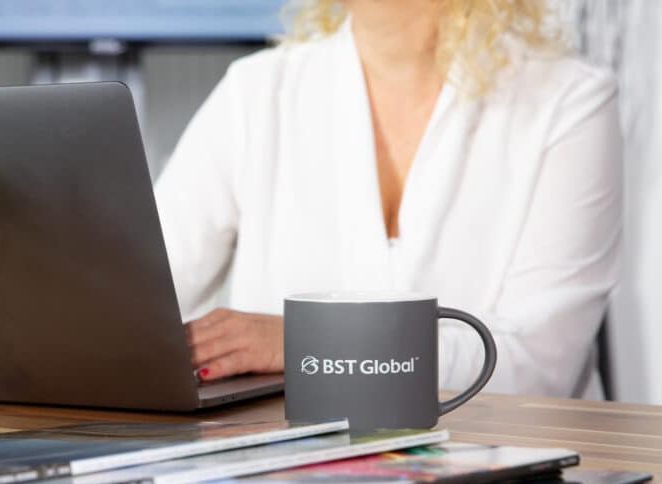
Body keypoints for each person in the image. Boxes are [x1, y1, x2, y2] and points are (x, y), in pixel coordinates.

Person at [154, 0, 622, 397]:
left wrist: (312, 344)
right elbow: (137, 296)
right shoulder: (255, 93)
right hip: (282, 476)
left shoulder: (567, 104)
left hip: (502, 481)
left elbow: (539, 368)